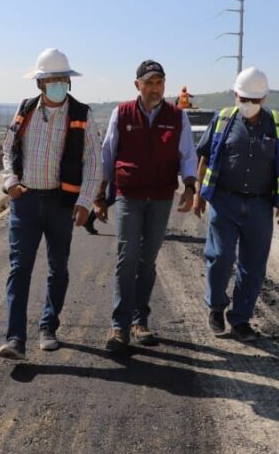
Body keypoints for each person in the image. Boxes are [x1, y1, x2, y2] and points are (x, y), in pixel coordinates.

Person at [0, 48, 102, 360]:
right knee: (20, 269)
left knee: (58, 268)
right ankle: (15, 338)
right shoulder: (25, 110)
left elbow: (95, 163)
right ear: (40, 83)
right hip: (25, 202)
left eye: (63, 79)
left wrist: (85, 202)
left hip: (60, 203)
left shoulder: (83, 115)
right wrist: (10, 182)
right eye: (52, 79)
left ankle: (48, 326)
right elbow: (7, 149)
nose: (58, 84)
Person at [96, 60, 198, 353]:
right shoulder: (122, 112)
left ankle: (140, 321)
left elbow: (187, 155)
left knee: (147, 261)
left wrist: (189, 186)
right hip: (130, 195)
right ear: (137, 84)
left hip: (161, 197)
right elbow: (108, 154)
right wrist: (101, 194)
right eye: (149, 82)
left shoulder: (177, 117)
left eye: (159, 82)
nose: (155, 88)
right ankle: (119, 327)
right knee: (127, 257)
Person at [192, 67, 279, 342]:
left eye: (254, 100)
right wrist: (199, 193)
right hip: (225, 201)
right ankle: (216, 307)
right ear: (236, 95)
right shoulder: (223, 120)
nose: (248, 105)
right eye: (243, 99)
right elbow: (205, 156)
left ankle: (241, 319)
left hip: (260, 205)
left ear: (264, 98)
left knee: (254, 265)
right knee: (221, 257)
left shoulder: (278, 124)